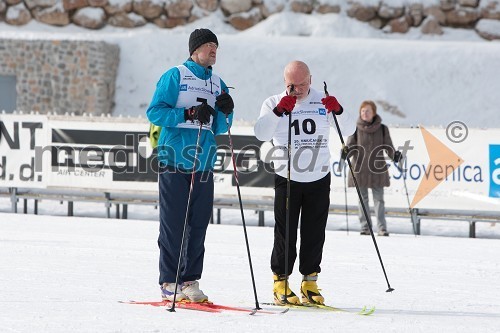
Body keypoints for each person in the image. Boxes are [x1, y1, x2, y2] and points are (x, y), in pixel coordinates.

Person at [254, 61, 355, 306]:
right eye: (291, 85)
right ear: (284, 82)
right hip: (288, 177)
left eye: (301, 84)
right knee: (285, 232)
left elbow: (350, 128)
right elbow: (261, 133)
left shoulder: (323, 100)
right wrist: (279, 111)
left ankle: (310, 282)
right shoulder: (273, 102)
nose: (296, 90)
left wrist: (339, 110)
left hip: (319, 176)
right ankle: (281, 281)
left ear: (310, 80)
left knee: (314, 232)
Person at [146, 28, 234, 302]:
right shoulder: (175, 75)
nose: (213, 50)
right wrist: (188, 112)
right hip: (174, 157)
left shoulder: (218, 82)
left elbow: (220, 127)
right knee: (174, 222)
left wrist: (227, 110)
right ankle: (169, 280)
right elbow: (155, 111)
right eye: (208, 45)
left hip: (204, 161)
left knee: (198, 224)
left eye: (215, 46)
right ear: (194, 50)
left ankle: (189, 280)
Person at [345, 100, 401, 237]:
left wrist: (395, 156)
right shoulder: (355, 128)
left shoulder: (382, 129)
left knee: (379, 200)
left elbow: (388, 147)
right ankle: (365, 227)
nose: (365, 113)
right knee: (362, 200)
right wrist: (345, 152)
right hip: (360, 169)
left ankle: (381, 228)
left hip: (377, 170)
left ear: (374, 113)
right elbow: (351, 147)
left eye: (368, 111)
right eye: (363, 111)